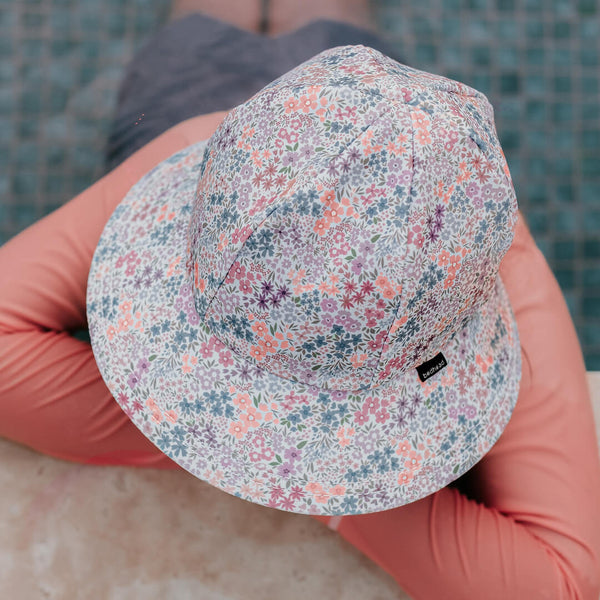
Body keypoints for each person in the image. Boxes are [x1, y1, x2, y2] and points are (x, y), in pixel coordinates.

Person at [1, 2, 600, 599]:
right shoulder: (190, 154)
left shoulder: (489, 263)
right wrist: (307, 466)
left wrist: (276, 461)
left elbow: (566, 587)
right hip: (225, 130)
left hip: (213, 111)